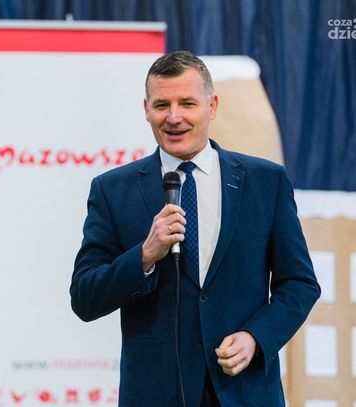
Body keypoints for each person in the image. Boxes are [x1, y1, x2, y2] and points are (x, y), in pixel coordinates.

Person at [70, 51, 320, 407]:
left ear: (212, 106)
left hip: (244, 392)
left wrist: (255, 338)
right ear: (146, 109)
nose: (174, 117)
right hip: (156, 395)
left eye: (187, 103)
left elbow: (299, 284)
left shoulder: (266, 182)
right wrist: (144, 256)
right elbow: (85, 297)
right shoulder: (112, 190)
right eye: (162, 105)